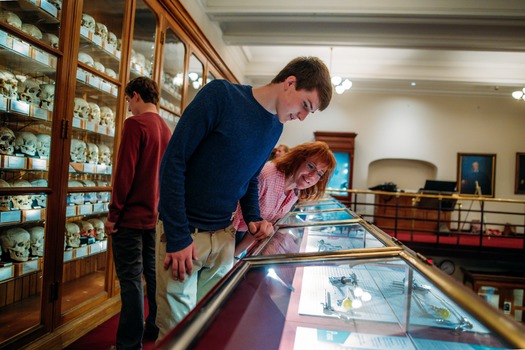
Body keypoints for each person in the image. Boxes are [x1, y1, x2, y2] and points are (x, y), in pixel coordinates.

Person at [155, 56, 332, 340]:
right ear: (290, 83)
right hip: (185, 235)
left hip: (224, 238)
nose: (302, 116)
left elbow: (249, 178)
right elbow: (173, 163)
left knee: (206, 325)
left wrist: (253, 218)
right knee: (176, 333)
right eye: (305, 106)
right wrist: (177, 236)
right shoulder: (221, 95)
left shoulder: (275, 128)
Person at [105, 77, 171, 349]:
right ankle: (153, 326)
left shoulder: (135, 124)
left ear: (135, 96)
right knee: (152, 275)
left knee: (131, 281)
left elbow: (125, 174)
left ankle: (129, 345)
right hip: (153, 218)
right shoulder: (167, 129)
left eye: (128, 101)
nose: (129, 107)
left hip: (129, 218)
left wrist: (112, 215)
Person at [234, 141, 336, 244]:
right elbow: (235, 213)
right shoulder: (266, 176)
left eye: (319, 174)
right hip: (227, 230)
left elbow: (259, 229)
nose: (312, 176)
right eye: (311, 166)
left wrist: (237, 256)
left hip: (244, 234)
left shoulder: (295, 191)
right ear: (298, 159)